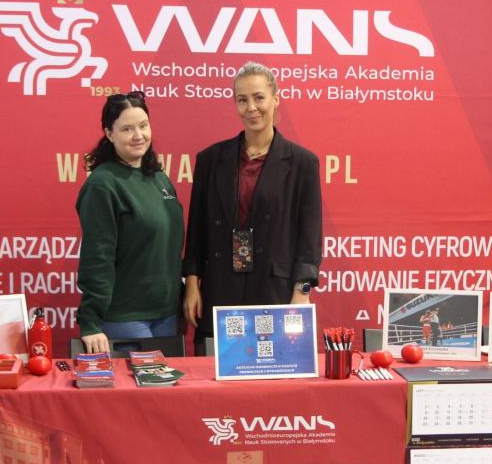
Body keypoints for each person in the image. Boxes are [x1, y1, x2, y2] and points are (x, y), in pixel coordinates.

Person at [182, 62, 322, 348]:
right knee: (218, 366)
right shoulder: (210, 160)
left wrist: (302, 290)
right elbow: (197, 230)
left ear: (276, 99)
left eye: (259, 98)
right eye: (242, 100)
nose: (251, 108)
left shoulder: (303, 163)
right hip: (220, 288)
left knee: (270, 365)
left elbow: (309, 237)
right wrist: (192, 284)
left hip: (274, 290)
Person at [76, 91, 184, 354]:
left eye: (143, 125)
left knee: (168, 382)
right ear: (109, 133)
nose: (138, 135)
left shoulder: (159, 178)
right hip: (126, 317)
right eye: (127, 129)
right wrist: (90, 322)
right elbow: (97, 256)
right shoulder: (103, 184)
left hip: (168, 315)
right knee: (142, 383)